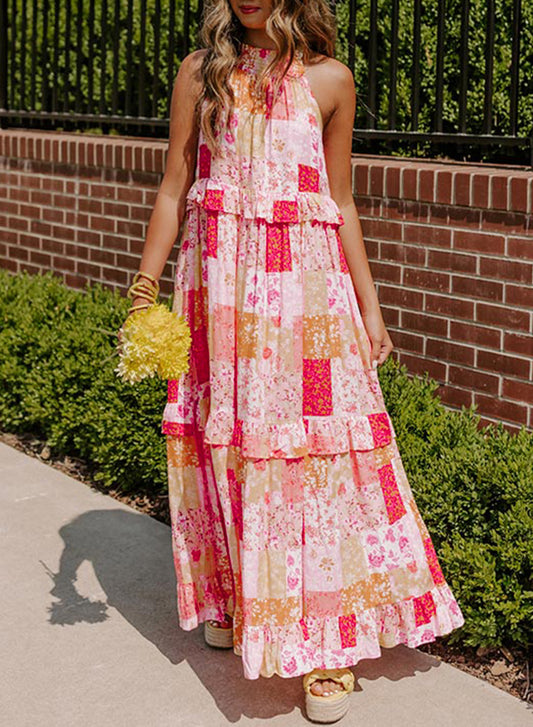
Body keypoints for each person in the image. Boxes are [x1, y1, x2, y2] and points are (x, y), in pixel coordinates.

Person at [122, 0, 465, 722]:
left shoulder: (329, 80)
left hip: (305, 293)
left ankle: (324, 644)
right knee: (228, 444)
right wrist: (144, 291)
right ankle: (238, 598)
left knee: (312, 459)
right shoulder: (199, 74)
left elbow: (337, 199)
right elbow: (172, 187)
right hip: (217, 287)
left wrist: (370, 307)